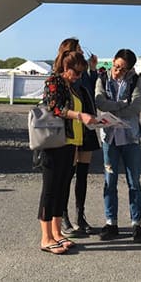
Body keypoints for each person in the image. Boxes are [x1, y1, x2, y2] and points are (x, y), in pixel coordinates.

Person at [37, 50, 98, 254]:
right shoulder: (53, 81)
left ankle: (56, 232)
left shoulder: (71, 86)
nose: (79, 76)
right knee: (50, 189)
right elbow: (55, 108)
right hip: (55, 143)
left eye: (82, 73)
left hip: (71, 142)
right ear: (66, 68)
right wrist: (80, 115)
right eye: (77, 72)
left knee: (62, 187)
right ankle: (46, 237)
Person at [95, 48, 141, 242]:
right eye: (116, 66)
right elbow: (100, 102)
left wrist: (115, 108)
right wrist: (121, 104)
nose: (117, 71)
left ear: (130, 69)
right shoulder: (102, 78)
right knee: (110, 181)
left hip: (130, 137)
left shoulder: (135, 81)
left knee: (134, 181)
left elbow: (137, 105)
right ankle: (111, 222)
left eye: (122, 69)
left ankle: (136, 223)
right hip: (109, 138)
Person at [55, 38, 100, 237]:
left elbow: (91, 88)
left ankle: (80, 216)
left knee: (82, 174)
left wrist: (93, 69)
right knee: (67, 174)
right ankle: (63, 216)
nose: (82, 51)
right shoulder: (64, 75)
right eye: (79, 49)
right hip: (71, 128)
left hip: (87, 127)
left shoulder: (82, 73)